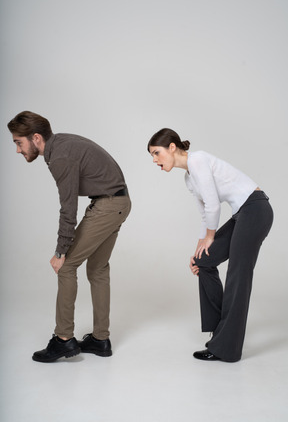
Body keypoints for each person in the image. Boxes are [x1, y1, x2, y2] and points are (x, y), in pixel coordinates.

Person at [8, 111, 131, 363]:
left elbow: (68, 208)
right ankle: (100, 340)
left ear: (36, 137)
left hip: (108, 205)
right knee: (97, 269)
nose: (18, 150)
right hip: (118, 201)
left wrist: (60, 252)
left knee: (66, 267)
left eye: (19, 143)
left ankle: (63, 339)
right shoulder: (60, 145)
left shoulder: (60, 157)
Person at [148, 128, 273, 362]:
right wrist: (198, 250)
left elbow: (214, 206)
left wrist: (209, 237)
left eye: (156, 153)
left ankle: (228, 349)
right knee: (203, 262)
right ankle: (220, 335)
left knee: (238, 274)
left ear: (172, 147)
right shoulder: (189, 178)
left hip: (255, 210)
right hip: (242, 214)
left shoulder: (198, 160)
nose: (154, 160)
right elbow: (206, 215)